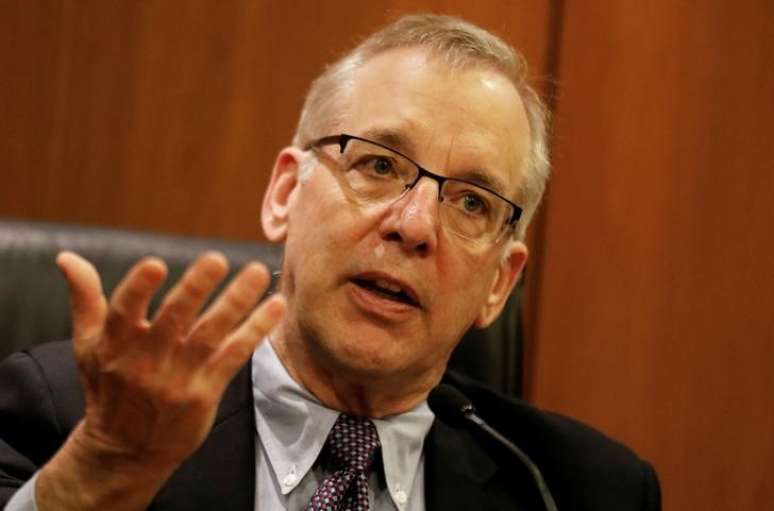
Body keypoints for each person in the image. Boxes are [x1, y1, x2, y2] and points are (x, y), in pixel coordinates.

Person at [0, 14, 660, 511]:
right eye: (378, 164)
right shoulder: (72, 419)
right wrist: (94, 478)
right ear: (286, 193)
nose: (413, 226)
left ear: (500, 283)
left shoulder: (578, 489)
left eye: (470, 202)